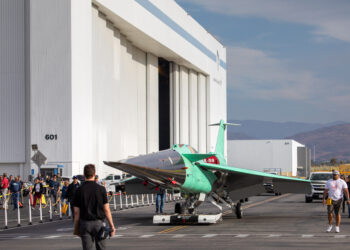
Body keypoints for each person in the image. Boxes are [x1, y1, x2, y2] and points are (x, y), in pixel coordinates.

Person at [74, 164, 115, 250]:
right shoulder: (101, 189)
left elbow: (76, 212)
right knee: (101, 248)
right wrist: (112, 226)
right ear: (94, 174)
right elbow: (106, 209)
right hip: (99, 224)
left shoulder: (79, 190)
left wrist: (76, 228)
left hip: (85, 224)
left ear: (84, 174)